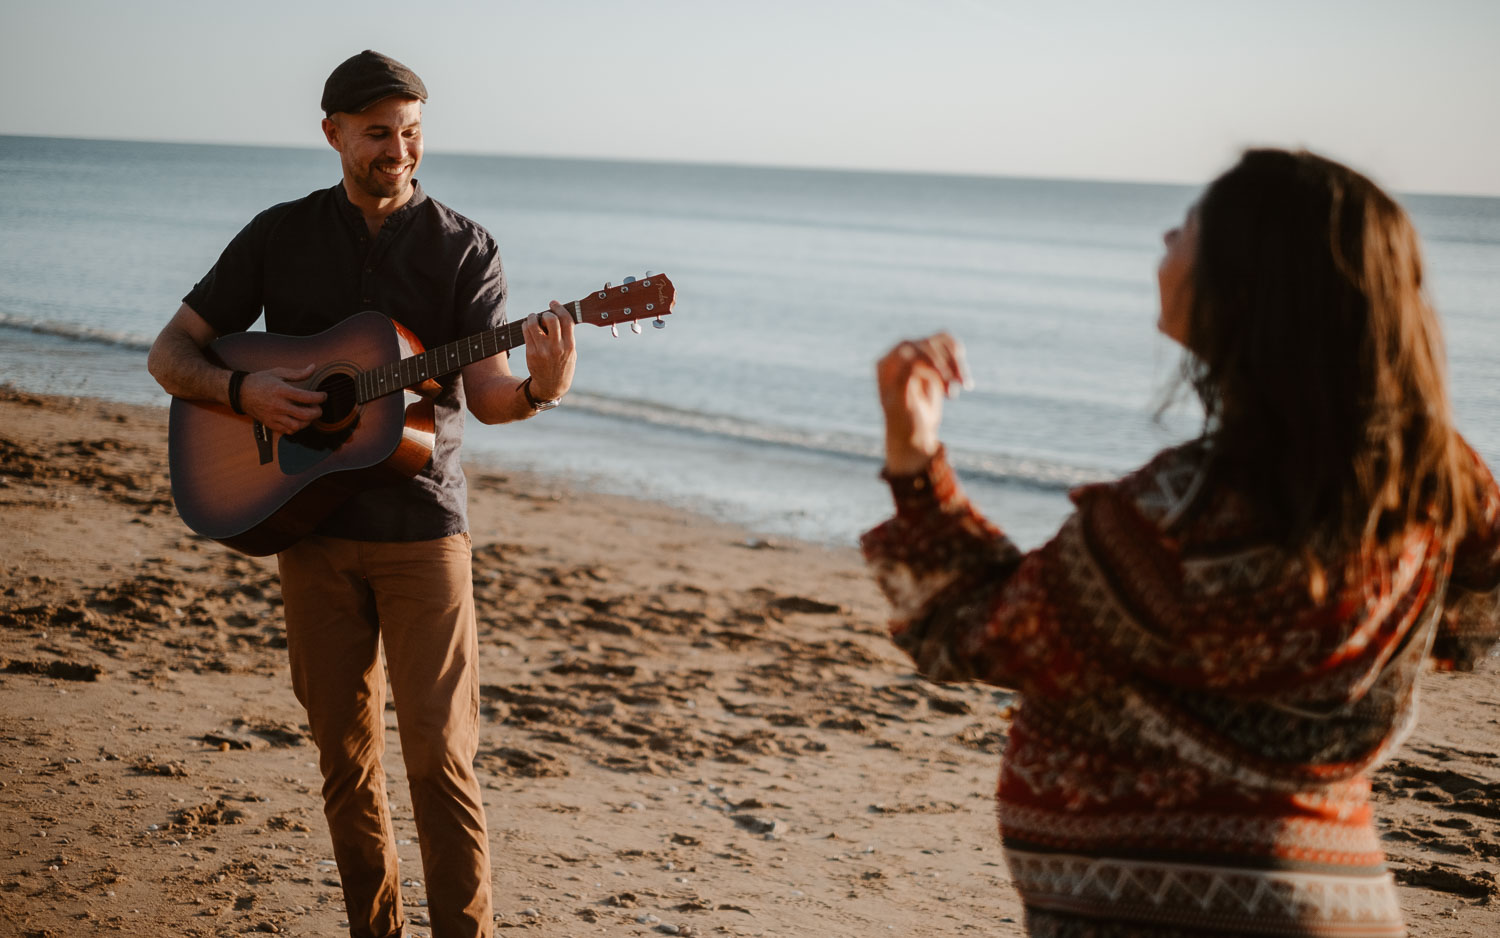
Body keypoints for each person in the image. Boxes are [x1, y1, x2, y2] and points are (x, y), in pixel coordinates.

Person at [862, 149, 1500, 937]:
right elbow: (1468, 631)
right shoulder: (1440, 479)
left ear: (1245, 285)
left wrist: (915, 460)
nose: (1167, 234)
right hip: (1344, 903)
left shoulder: (1173, 519)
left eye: (1191, 227)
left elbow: (965, 632)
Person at [147, 50, 576, 938]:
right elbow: (172, 353)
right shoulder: (280, 234)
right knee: (344, 762)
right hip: (307, 526)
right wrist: (244, 393)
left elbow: (490, 395)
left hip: (424, 530)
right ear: (333, 134)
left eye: (412, 132)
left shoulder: (465, 247)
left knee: (441, 758)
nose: (398, 150)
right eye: (379, 133)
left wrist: (540, 386)